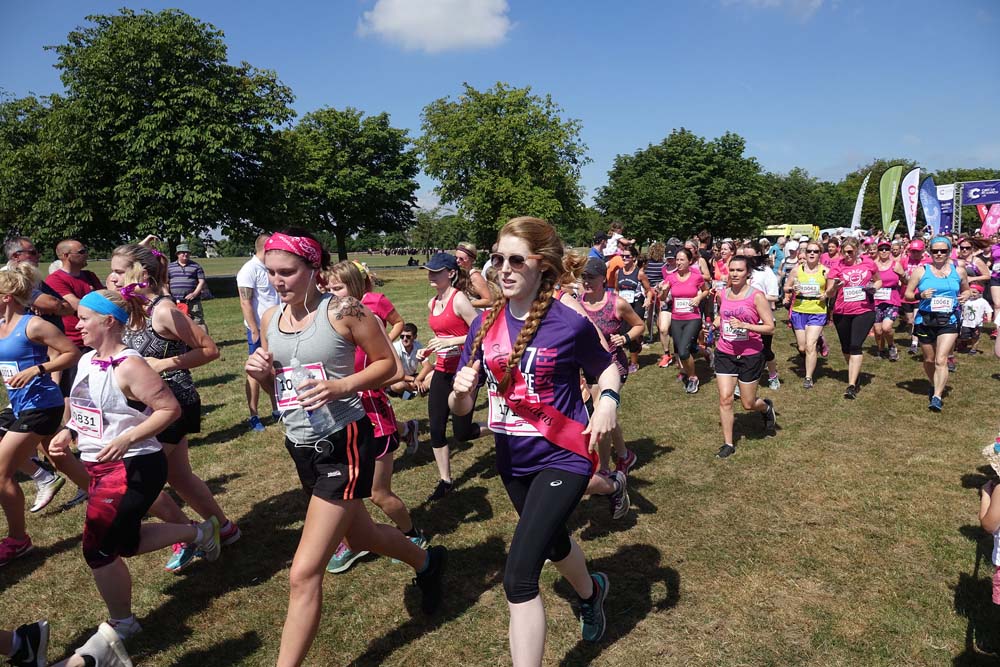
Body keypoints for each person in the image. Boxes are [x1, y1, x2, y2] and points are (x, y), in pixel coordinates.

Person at [243, 229, 446, 667]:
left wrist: (341, 386)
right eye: (272, 272)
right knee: (362, 534)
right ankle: (428, 564)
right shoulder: (269, 318)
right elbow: (279, 387)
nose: (279, 281)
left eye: (288, 272)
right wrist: (260, 371)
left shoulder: (344, 311)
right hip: (300, 441)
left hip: (345, 440)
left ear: (313, 270)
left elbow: (388, 365)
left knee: (303, 573)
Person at [449, 216, 621, 663]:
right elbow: (461, 414)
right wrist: (461, 395)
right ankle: (592, 591)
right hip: (513, 458)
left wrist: (606, 401)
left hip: (564, 454)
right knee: (551, 540)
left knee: (519, 578)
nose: (502, 268)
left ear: (542, 265)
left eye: (515, 260)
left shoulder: (569, 322)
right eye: (497, 258)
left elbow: (605, 367)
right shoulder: (484, 326)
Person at [47, 289, 221, 649]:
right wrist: (68, 431)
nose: (77, 325)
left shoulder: (131, 365)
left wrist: (128, 438)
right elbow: (85, 408)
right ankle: (199, 533)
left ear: (108, 321)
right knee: (125, 543)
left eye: (84, 318)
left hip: (133, 466)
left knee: (97, 549)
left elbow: (169, 410)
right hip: (99, 464)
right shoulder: (87, 360)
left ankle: (123, 623)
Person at [109, 243, 241, 573]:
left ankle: (192, 535)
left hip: (174, 404)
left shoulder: (164, 311)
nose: (111, 277)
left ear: (141, 275)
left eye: (118, 271)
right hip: (150, 405)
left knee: (137, 481)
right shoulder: (133, 306)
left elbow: (210, 350)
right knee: (179, 476)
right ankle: (224, 528)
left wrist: (162, 363)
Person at [322, 260, 426, 573]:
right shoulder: (328, 321)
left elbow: (392, 370)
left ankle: (412, 536)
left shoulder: (368, 321)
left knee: (378, 493)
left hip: (372, 416)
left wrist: (354, 384)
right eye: (328, 287)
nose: (331, 293)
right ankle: (354, 542)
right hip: (338, 417)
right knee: (342, 490)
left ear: (355, 288)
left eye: (338, 287)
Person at [0, 263, 80, 566]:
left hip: (43, 405)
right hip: (19, 405)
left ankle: (18, 540)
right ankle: (106, 503)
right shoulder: (0, 325)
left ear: (7, 297)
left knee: (1, 473)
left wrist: (38, 368)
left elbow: (71, 352)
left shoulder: (33, 325)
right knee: (64, 460)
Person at [419, 252, 482, 501]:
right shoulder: (432, 303)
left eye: (436, 271)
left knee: (462, 433)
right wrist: (430, 349)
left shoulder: (460, 300)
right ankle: (445, 480)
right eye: (429, 271)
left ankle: (499, 430)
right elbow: (441, 338)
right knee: (435, 428)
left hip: (464, 372)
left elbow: (481, 332)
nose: (431, 275)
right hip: (442, 371)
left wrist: (452, 340)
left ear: (451, 273)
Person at [577, 257, 640, 499]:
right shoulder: (577, 303)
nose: (587, 281)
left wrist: (624, 339)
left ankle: (604, 469)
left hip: (613, 367)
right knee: (606, 414)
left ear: (604, 278)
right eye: (584, 277)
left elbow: (638, 325)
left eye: (591, 277)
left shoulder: (617, 303)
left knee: (599, 415)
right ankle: (624, 455)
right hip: (587, 367)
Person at [712, 255, 776, 459]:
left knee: (747, 404)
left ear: (748, 273)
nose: (735, 274)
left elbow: (770, 327)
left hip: (750, 353)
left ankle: (766, 407)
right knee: (725, 398)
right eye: (732, 270)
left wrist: (746, 326)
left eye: (739, 270)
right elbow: (722, 316)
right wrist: (712, 326)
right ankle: (728, 443)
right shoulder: (723, 294)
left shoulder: (756, 296)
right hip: (725, 351)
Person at [903, 236, 972, 412]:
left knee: (941, 359)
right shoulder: (921, 271)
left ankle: (937, 396)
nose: (939, 254)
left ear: (949, 252)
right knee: (929, 359)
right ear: (930, 252)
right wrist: (921, 295)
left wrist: (966, 295)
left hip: (949, 319)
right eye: (935, 251)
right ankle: (933, 382)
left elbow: (966, 289)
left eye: (943, 251)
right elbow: (908, 294)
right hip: (926, 319)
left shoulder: (959, 271)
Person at [826, 238, 881, 400]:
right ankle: (855, 375)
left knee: (855, 345)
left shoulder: (868, 263)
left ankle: (851, 385)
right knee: (846, 347)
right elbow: (829, 293)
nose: (847, 255)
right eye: (844, 252)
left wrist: (873, 288)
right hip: (841, 311)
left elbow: (878, 280)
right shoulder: (837, 266)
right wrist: (835, 287)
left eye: (851, 251)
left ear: (858, 250)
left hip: (864, 310)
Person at [237, 234, 280, 432]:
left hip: (277, 327)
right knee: (255, 371)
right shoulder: (249, 270)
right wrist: (254, 329)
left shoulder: (272, 269)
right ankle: (253, 414)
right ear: (266, 248)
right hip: (259, 329)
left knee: (273, 369)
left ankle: (276, 408)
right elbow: (245, 301)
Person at [661, 248, 709, 393]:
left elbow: (706, 290)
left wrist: (698, 297)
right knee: (685, 348)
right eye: (677, 259)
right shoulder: (671, 277)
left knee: (683, 351)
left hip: (692, 318)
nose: (679, 262)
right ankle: (706, 353)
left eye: (682, 260)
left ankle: (693, 378)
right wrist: (663, 290)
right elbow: (663, 299)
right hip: (676, 318)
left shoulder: (696, 277)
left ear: (689, 261)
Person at [784, 240, 827, 388]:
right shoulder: (797, 270)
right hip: (799, 310)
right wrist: (792, 289)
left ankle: (808, 378)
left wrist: (826, 295)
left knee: (810, 345)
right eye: (809, 251)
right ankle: (819, 341)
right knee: (802, 347)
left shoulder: (825, 271)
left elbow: (832, 290)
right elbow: (786, 287)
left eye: (815, 251)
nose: (812, 254)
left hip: (817, 310)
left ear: (820, 253)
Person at [744, 245, 781, 390]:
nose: (748, 260)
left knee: (765, 351)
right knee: (744, 350)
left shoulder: (766, 272)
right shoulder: (742, 272)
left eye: (750, 257)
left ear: (759, 254)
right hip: (744, 318)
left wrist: (755, 297)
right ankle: (744, 379)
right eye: (745, 256)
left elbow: (774, 296)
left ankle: (772, 375)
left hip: (762, 319)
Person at [613, 244, 651, 373]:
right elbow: (616, 289)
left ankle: (634, 363)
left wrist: (648, 299)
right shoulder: (618, 272)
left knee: (631, 334)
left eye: (627, 256)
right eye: (622, 256)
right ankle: (636, 348)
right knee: (622, 332)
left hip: (636, 305)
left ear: (634, 258)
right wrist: (614, 300)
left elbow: (649, 290)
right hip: (624, 306)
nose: (624, 258)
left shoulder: (639, 273)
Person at [872, 240, 905, 360]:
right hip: (876, 300)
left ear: (890, 250)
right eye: (881, 249)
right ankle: (880, 350)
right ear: (878, 251)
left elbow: (905, 281)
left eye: (886, 249)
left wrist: (903, 275)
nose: (884, 251)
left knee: (886, 327)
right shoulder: (873, 265)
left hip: (892, 299)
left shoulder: (895, 265)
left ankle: (891, 346)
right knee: (878, 330)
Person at [166, 243, 208, 333]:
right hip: (175, 301)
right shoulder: (169, 267)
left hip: (193, 301)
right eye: (182, 252)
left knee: (198, 322)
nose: (185, 254)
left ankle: (206, 343)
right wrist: (168, 295)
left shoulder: (196, 266)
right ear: (177, 254)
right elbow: (166, 282)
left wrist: (194, 293)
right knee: (177, 323)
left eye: (187, 252)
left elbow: (201, 281)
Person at [900, 239, 929, 354]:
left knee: (916, 320)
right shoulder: (904, 261)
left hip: (920, 294)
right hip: (906, 294)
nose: (915, 254)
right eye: (913, 251)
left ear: (923, 251)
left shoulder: (928, 262)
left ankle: (914, 343)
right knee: (909, 320)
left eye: (918, 251)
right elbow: (901, 277)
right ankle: (916, 335)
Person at [456, 242, 495, 310]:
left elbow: (489, 301)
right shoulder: (459, 274)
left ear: (472, 260)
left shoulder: (475, 277)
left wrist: (465, 303)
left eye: (461, 259)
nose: (457, 261)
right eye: (456, 258)